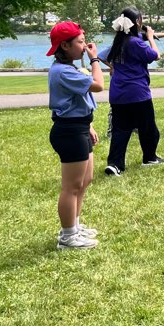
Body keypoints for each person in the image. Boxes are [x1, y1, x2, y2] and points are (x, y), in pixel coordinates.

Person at [46, 21, 103, 249]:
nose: (84, 46)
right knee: (71, 187)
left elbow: (77, 101)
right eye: (80, 42)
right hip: (69, 131)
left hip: (79, 126)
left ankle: (75, 226)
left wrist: (88, 126)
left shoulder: (68, 68)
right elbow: (98, 85)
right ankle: (67, 236)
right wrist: (95, 60)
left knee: (84, 181)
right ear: (65, 46)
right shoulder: (62, 72)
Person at [100, 8, 164, 177]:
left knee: (120, 130)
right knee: (148, 128)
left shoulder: (119, 41)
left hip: (118, 94)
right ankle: (149, 158)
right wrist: (150, 37)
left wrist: (113, 67)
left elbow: (101, 55)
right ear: (137, 22)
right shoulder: (135, 43)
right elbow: (156, 55)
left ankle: (114, 164)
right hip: (137, 93)